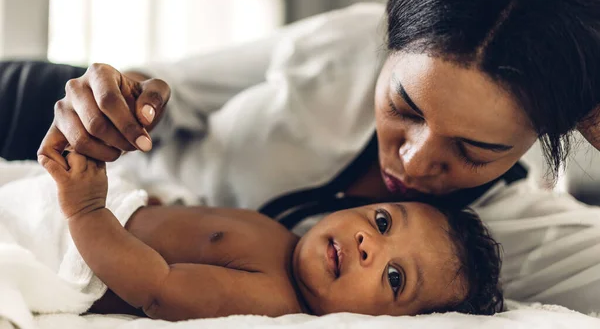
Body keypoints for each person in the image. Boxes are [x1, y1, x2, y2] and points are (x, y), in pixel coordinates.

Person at [2, 0, 600, 314]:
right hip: (62, 134)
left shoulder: (528, 242)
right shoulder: (348, 44)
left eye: (474, 150)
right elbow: (171, 87)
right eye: (404, 107)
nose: (413, 163)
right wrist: (129, 101)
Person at [0, 152, 503, 320]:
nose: (370, 244)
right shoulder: (282, 239)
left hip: (78, 242)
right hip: (106, 208)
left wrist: (86, 210)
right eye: (384, 222)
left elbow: (158, 287)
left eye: (395, 278)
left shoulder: (271, 296)